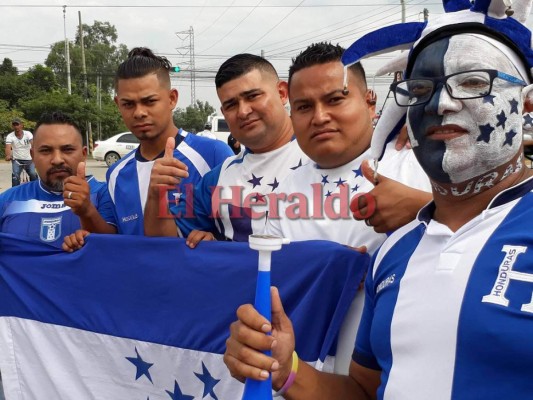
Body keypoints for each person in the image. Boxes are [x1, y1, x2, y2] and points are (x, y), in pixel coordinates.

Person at [222, 0, 533, 398]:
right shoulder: (397, 251)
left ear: (526, 101)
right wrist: (287, 371)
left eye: (473, 82)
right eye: (421, 89)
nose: (441, 103)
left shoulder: (409, 185)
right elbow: (365, 391)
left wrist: (416, 203)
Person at [264, 42, 431, 253]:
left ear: (370, 103)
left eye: (335, 100)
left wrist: (425, 208)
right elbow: (275, 274)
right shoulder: (284, 194)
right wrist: (324, 269)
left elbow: (483, 228)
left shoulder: (423, 161)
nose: (319, 117)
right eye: (304, 107)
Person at [144, 54, 308, 242]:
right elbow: (164, 242)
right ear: (223, 113)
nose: (243, 111)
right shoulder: (217, 179)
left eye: (253, 96)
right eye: (231, 105)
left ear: (282, 93)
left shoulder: (327, 158)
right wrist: (156, 195)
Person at [105, 47, 233, 235]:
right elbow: (116, 245)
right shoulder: (116, 174)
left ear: (172, 99)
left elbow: (238, 233)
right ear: (118, 104)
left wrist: (214, 242)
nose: (139, 112)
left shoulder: (214, 155)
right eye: (128, 104)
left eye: (149, 101)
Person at [0, 111, 116, 249]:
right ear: (33, 155)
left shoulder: (105, 194)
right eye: (45, 151)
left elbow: (113, 249)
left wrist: (87, 211)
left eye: (67, 150)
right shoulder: (8, 199)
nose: (57, 160)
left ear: (83, 154)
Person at [5, 118, 38, 186]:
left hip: (29, 159)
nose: (16, 127)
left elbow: (33, 145)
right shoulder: (10, 136)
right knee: (15, 175)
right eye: (14, 125)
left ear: (21, 125)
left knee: (33, 174)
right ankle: (15, 191)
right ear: (12, 126)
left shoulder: (28, 134)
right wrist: (8, 155)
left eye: (17, 124)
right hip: (16, 160)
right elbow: (8, 147)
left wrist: (35, 157)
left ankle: (36, 188)